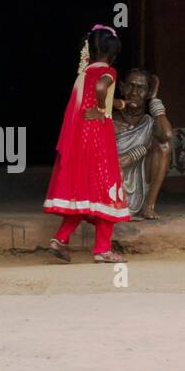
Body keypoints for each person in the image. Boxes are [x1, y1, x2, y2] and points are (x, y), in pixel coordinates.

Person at [43, 25, 130, 263]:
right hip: (98, 139)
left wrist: (116, 104)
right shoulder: (108, 72)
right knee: (108, 191)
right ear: (112, 54)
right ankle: (103, 250)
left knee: (83, 194)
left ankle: (60, 239)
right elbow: (102, 87)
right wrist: (102, 109)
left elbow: (92, 94)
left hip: (80, 138)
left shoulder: (83, 74)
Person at [114, 68, 173, 219]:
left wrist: (154, 101)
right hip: (114, 178)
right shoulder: (109, 119)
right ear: (121, 87)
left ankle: (149, 206)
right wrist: (133, 153)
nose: (134, 93)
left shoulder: (149, 123)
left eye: (141, 88)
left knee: (163, 146)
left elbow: (166, 135)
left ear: (147, 93)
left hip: (141, 176)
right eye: (130, 86)